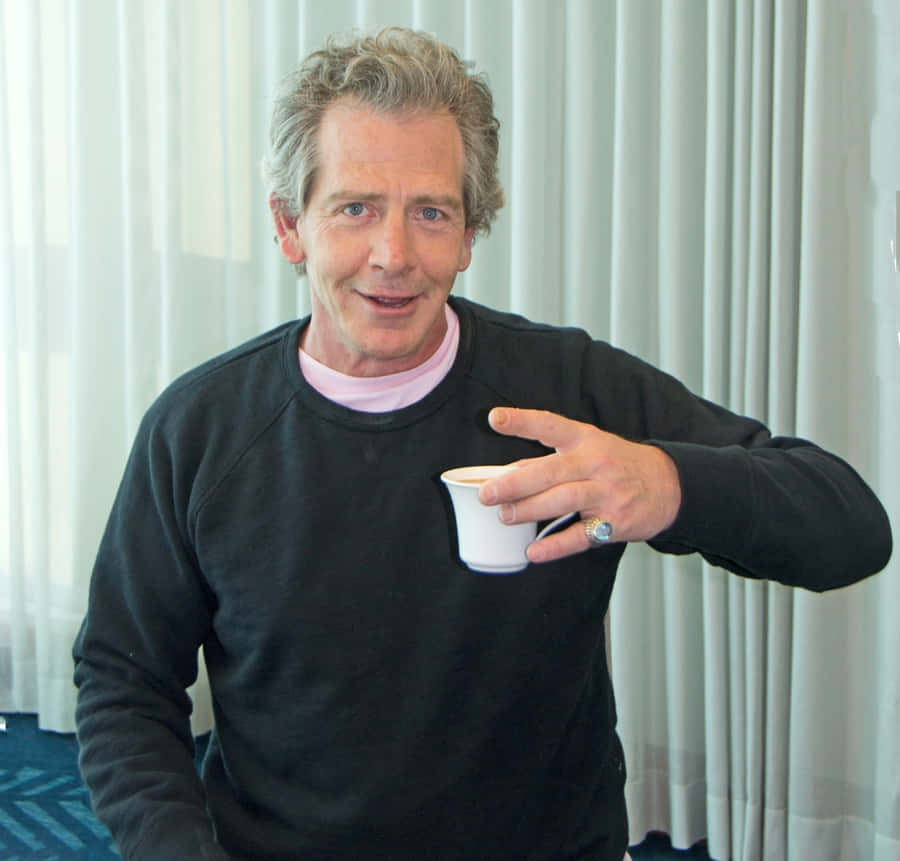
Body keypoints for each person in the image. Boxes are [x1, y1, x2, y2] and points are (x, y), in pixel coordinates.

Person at [73, 27, 892, 861]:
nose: (393, 256)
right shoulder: (201, 430)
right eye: (356, 209)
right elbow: (123, 678)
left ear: (470, 235)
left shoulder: (566, 393)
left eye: (431, 213)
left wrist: (666, 482)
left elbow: (852, 526)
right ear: (291, 226)